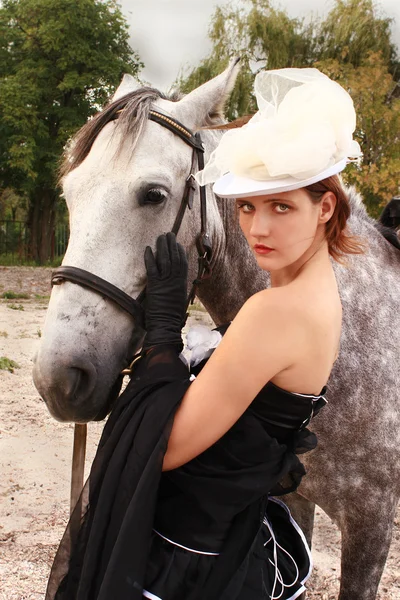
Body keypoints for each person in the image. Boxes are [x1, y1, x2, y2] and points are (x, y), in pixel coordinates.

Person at [46, 68, 364, 600]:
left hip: (190, 565)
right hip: (228, 536)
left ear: (325, 207)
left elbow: (163, 449)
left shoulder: (274, 311)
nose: (258, 229)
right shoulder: (320, 291)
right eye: (246, 206)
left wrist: (164, 336)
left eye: (281, 206)